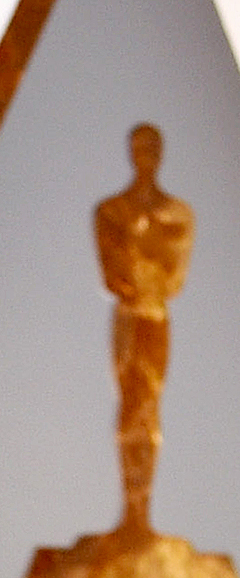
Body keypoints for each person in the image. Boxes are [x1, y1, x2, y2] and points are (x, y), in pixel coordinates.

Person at [94, 123, 194, 537]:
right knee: (130, 405)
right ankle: (131, 511)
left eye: (152, 147)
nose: (146, 155)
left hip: (155, 319)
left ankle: (143, 511)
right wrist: (142, 266)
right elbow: (114, 274)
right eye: (139, 147)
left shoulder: (178, 215)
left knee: (148, 406)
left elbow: (173, 278)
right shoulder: (111, 212)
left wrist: (144, 263)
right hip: (129, 318)